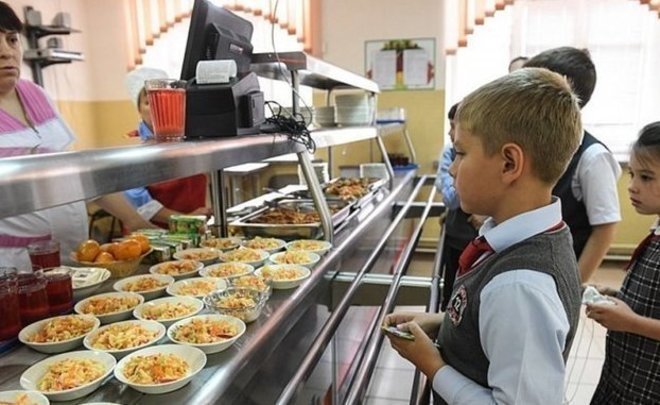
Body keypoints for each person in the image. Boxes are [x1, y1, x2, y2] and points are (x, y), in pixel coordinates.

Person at [383, 68, 583, 404]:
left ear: (509, 164)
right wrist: (443, 322)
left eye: (461, 153)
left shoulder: (518, 286)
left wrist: (432, 365)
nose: (452, 168)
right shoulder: (521, 238)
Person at [0, 1, 153, 268]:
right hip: (15, 263)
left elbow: (75, 174)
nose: (6, 52)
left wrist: (136, 221)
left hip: (75, 254)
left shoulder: (37, 95)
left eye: (12, 40)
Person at [525, 46, 621, 283]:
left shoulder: (593, 157)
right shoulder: (535, 143)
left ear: (563, 88)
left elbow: (605, 229)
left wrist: (573, 285)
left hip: (562, 273)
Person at [586, 121, 660, 404]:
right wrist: (618, 297)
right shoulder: (656, 231)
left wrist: (631, 322)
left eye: (646, 177)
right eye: (632, 175)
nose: (632, 187)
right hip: (621, 379)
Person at [123, 67, 211, 228]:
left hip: (196, 227)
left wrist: (205, 213)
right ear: (139, 109)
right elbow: (138, 200)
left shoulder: (189, 139)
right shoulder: (131, 145)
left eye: (163, 100)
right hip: (153, 233)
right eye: (148, 102)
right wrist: (183, 219)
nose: (157, 107)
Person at [435, 102, 483, 311]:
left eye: (454, 126)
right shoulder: (450, 153)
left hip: (478, 239)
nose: (449, 132)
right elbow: (450, 198)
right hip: (456, 237)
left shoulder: (484, 153)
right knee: (451, 295)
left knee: (473, 297)